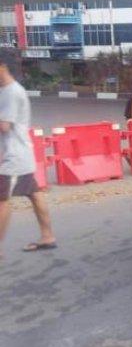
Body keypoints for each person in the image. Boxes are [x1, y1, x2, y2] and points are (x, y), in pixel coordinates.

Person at [0, 49, 56, 259]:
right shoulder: (6, 90)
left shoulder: (12, 92)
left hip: (13, 158)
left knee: (2, 200)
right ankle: (48, 236)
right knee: (34, 194)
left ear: (2, 67)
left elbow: (4, 126)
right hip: (21, 154)